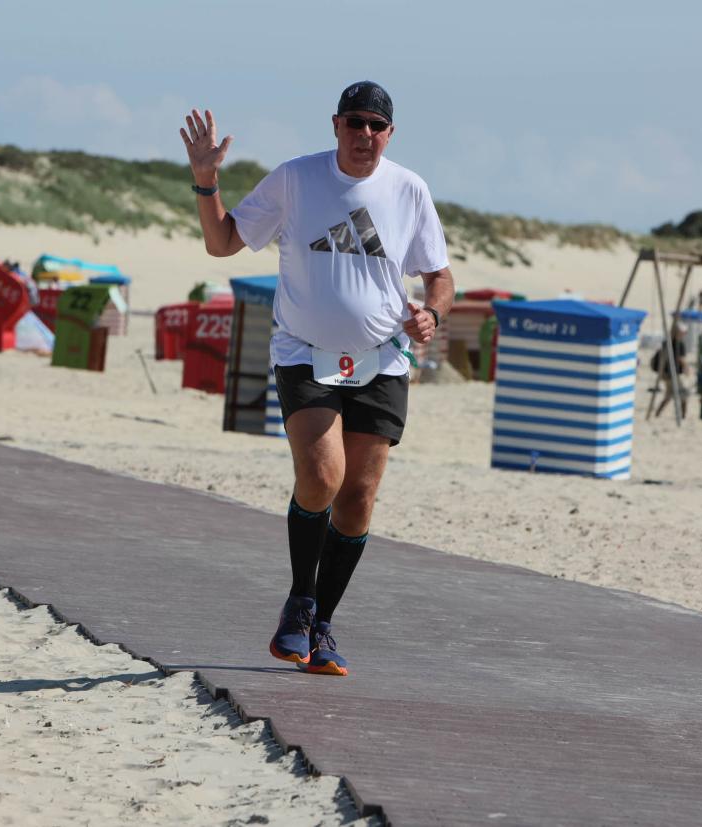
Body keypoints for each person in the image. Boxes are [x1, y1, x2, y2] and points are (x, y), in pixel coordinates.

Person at [179, 81, 454, 677]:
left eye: (376, 125)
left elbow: (439, 276)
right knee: (322, 476)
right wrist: (206, 181)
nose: (365, 134)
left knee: (357, 500)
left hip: (382, 359)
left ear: (390, 134)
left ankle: (322, 623)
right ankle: (300, 599)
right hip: (305, 352)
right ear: (336, 125)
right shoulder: (296, 179)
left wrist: (432, 313)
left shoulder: (409, 189)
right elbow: (223, 243)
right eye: (355, 122)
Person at [651, 325, 689, 419]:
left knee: (669, 394)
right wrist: (687, 369)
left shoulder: (666, 342)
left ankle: (657, 413)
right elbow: (681, 359)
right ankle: (683, 416)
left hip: (664, 374)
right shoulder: (679, 344)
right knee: (683, 393)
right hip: (673, 374)